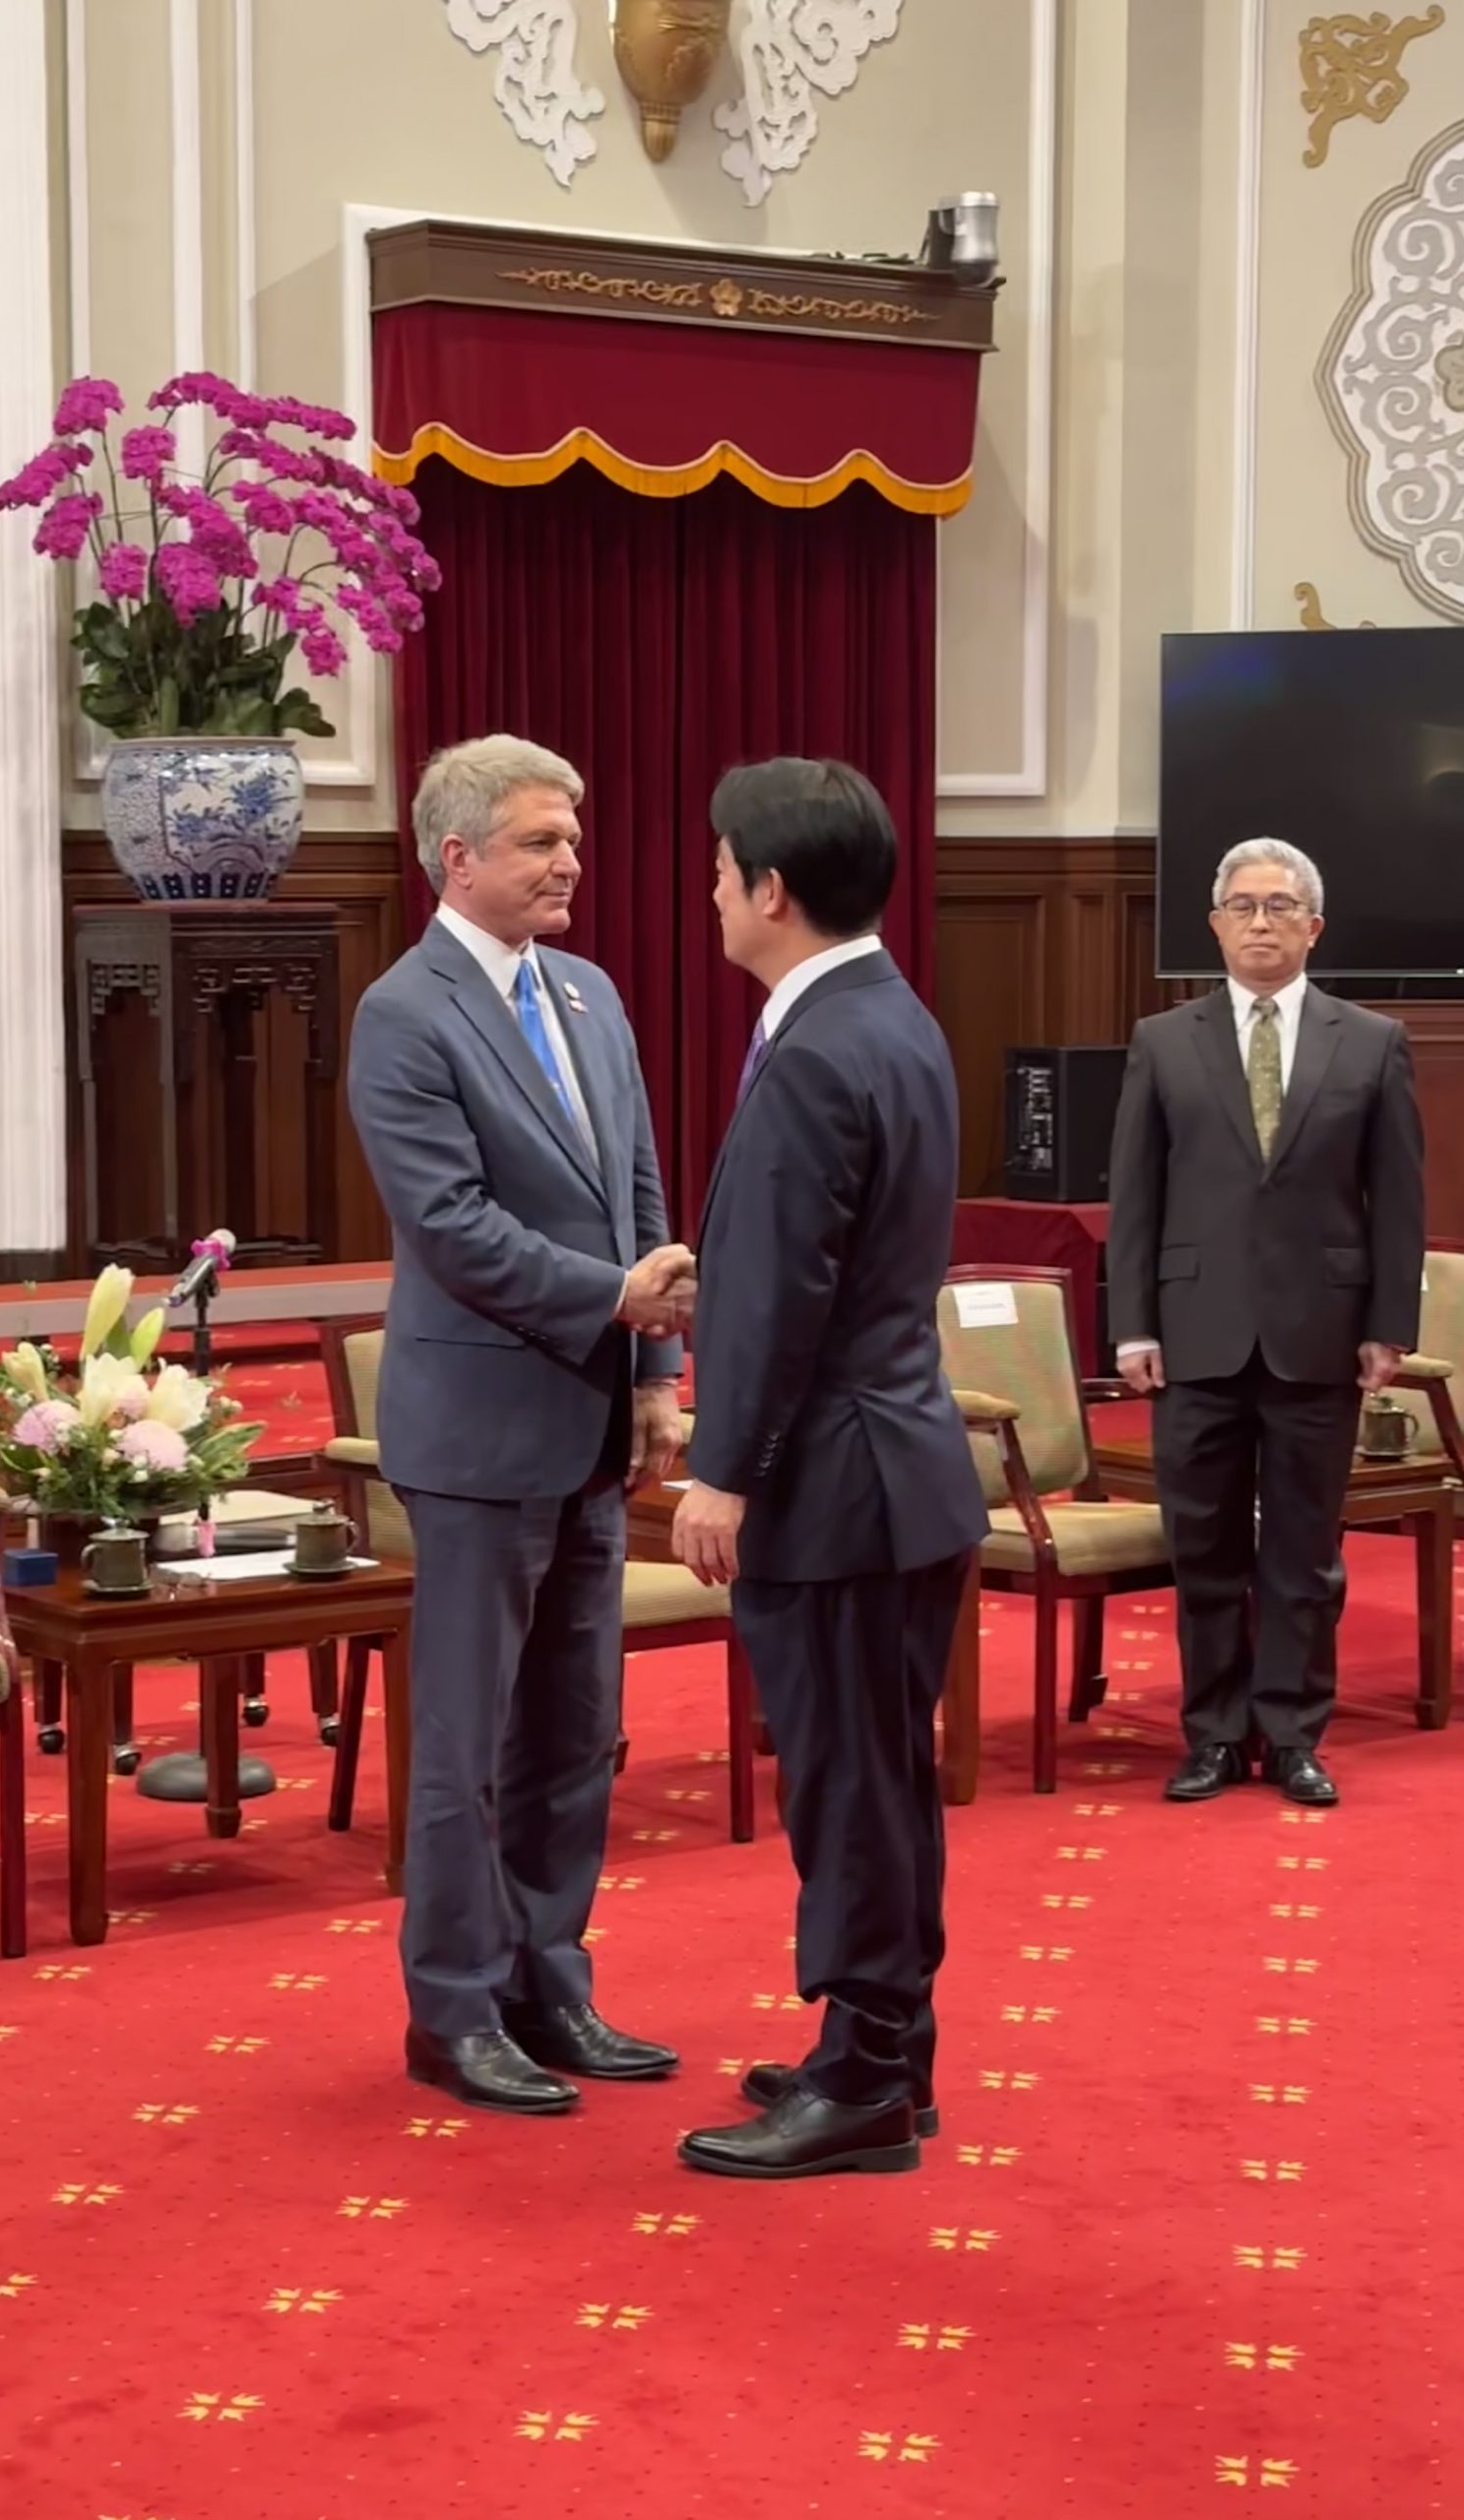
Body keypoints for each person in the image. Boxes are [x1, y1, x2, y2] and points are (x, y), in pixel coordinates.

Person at [347, 734, 693, 2116]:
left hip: (597, 1422)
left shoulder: (593, 996)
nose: (571, 862)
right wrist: (616, 1296)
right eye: (543, 841)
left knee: (574, 1731)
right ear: (458, 858)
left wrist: (660, 1366)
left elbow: (641, 1187)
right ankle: (454, 2008)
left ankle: (554, 1980)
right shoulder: (404, 1011)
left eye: (575, 836)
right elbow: (450, 1228)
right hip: (479, 1433)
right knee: (470, 1744)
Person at [671, 758, 988, 2181]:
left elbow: (793, 1293)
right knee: (881, 1780)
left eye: (723, 867)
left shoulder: (812, 1048)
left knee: (851, 1789)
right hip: (898, 1463)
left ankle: (863, 2077)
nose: (713, 889)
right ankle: (887, 2054)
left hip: (837, 1483)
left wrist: (720, 1470)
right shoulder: (891, 1014)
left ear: (772, 889)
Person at [1107, 837, 1426, 1807]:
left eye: (1280, 906)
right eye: (1243, 906)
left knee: (1302, 1552)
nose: (1260, 922)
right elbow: (1135, 1197)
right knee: (1201, 1547)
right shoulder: (1164, 1041)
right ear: (1214, 925)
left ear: (1313, 927)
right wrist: (1132, 1327)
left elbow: (1399, 1198)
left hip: (1318, 1335)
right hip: (1194, 1334)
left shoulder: (1370, 1041)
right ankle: (1210, 1732)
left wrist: (1387, 1325)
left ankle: (1290, 1732)